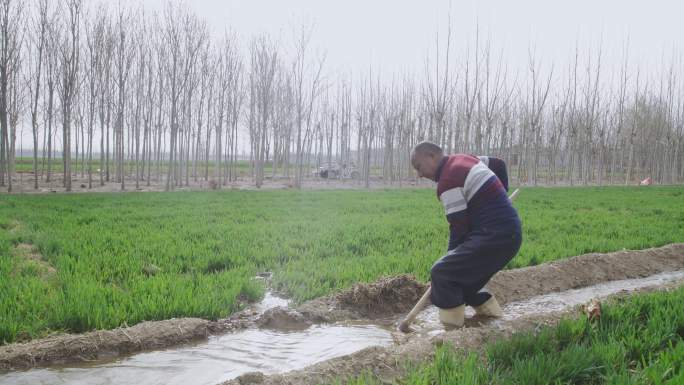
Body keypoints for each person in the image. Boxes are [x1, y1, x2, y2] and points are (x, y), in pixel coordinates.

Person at [410, 141, 522, 328]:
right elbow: (499, 164)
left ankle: (453, 337)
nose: (419, 174)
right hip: (508, 233)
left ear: (432, 156)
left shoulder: (448, 181)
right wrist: (501, 196)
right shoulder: (465, 158)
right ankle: (495, 322)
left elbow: (459, 232)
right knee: (462, 281)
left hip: (494, 236)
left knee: (443, 273)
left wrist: (448, 264)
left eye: (419, 167)